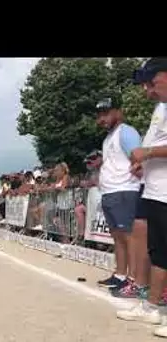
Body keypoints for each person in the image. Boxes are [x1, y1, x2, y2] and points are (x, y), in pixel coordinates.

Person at [115, 58, 167, 338]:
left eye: (152, 81)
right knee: (159, 253)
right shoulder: (161, 108)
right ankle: (152, 306)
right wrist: (142, 164)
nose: (147, 89)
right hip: (156, 189)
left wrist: (146, 154)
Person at [93, 97, 141, 292]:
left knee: (129, 236)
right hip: (111, 192)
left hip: (125, 190)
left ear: (118, 112)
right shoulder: (108, 138)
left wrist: (138, 168)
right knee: (117, 236)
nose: (102, 119)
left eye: (106, 113)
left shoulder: (126, 132)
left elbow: (137, 156)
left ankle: (134, 279)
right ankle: (120, 274)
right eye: (99, 115)